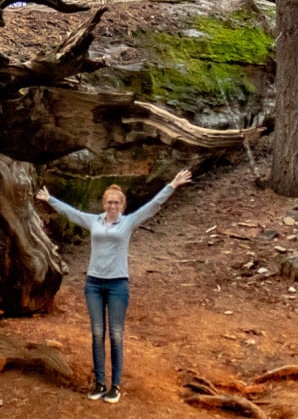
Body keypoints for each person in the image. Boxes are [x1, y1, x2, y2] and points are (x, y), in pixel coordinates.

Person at [36, 168, 192, 404]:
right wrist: (50, 200)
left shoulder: (128, 223)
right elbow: (72, 213)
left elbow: (152, 206)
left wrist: (172, 185)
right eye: (109, 202)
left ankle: (115, 385)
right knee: (97, 333)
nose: (112, 206)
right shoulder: (94, 221)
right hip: (94, 285)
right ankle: (100, 382)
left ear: (122, 204)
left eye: (116, 202)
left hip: (118, 284)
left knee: (116, 334)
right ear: (104, 203)